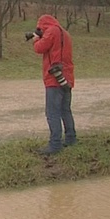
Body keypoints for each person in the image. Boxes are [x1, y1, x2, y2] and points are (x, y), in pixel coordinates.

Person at [31, 14, 77, 155]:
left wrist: (35, 40)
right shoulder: (65, 33)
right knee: (65, 110)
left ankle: (55, 144)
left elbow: (40, 48)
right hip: (67, 77)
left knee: (52, 112)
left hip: (54, 78)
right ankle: (70, 138)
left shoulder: (51, 31)